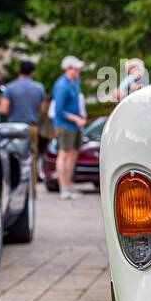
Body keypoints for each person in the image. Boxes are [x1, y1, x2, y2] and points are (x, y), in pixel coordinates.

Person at [0, 60, 47, 184]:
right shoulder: (39, 87)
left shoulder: (10, 87)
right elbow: (42, 109)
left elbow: (3, 109)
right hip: (31, 127)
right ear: (32, 72)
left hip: (14, 128)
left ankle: (13, 184)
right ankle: (32, 187)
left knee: (14, 157)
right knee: (32, 157)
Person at [51, 55, 87, 200]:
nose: (78, 70)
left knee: (73, 154)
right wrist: (75, 118)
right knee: (64, 154)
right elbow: (59, 109)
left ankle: (69, 184)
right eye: (75, 68)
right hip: (64, 125)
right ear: (68, 69)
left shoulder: (75, 81)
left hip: (75, 123)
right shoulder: (62, 85)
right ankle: (63, 186)